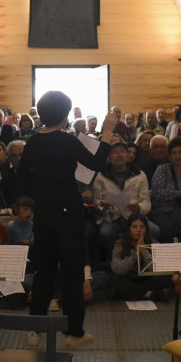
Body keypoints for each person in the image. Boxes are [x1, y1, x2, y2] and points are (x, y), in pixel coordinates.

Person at [16, 90, 117, 347]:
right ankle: (74, 332)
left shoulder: (33, 141)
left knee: (44, 271)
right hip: (68, 212)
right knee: (72, 273)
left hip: (43, 212)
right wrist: (107, 132)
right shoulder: (67, 140)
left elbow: (22, 177)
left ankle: (34, 330)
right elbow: (95, 163)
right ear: (64, 115)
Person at [93, 141, 154, 261]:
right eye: (114, 153)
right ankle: (112, 263)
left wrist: (138, 207)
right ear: (109, 157)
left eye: (122, 152)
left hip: (133, 216)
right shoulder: (100, 176)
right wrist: (102, 205)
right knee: (105, 233)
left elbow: (146, 202)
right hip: (111, 217)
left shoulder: (140, 175)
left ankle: (144, 262)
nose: (119, 155)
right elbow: (96, 200)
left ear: (127, 155)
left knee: (154, 230)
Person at [109, 214, 172, 301]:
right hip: (129, 277)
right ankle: (149, 294)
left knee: (166, 277)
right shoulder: (120, 243)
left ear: (146, 229)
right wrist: (135, 254)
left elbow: (158, 270)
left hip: (146, 278)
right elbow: (117, 268)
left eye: (142, 227)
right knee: (113, 278)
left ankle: (133, 293)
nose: (138, 230)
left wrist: (144, 251)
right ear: (129, 229)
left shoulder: (154, 242)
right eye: (134, 227)